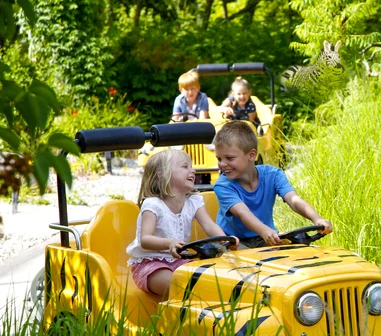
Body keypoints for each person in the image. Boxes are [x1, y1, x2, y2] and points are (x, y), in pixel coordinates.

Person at [126, 149, 238, 299]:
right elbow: (145, 239)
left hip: (180, 261)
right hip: (151, 264)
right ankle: (175, 319)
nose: (193, 170)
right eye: (185, 167)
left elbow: (209, 225)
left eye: (191, 166)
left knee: (208, 281)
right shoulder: (153, 205)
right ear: (162, 175)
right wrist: (169, 243)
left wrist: (225, 239)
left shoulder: (193, 201)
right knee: (179, 285)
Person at [213, 121, 332, 248]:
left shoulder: (273, 175)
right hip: (234, 242)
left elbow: (293, 199)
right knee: (245, 265)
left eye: (229, 158)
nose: (222, 164)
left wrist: (317, 219)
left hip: (265, 237)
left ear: (251, 155)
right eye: (219, 159)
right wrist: (265, 231)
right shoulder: (223, 186)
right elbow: (243, 213)